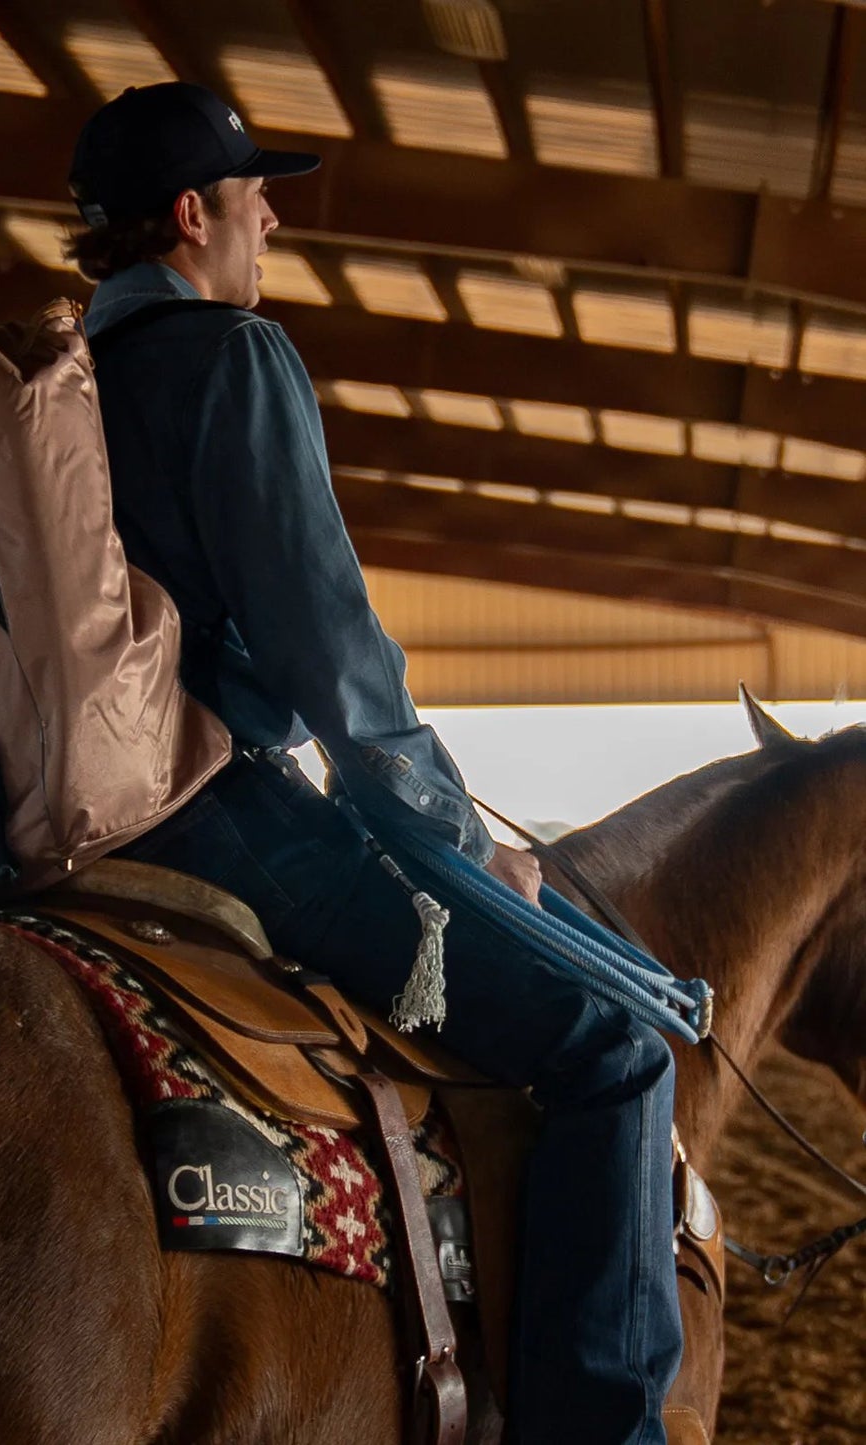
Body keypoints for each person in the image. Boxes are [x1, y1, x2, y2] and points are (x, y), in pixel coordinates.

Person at [67, 82, 682, 1445]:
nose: (272, 221)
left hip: (65, 817)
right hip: (215, 808)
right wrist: (455, 839)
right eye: (255, 197)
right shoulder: (228, 356)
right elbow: (328, 650)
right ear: (192, 215)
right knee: (617, 1050)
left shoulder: (53, 385)